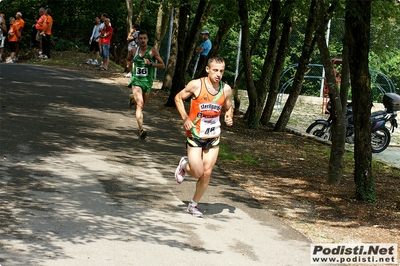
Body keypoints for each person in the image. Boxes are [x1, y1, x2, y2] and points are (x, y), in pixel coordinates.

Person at [174, 56, 233, 218]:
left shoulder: (226, 89)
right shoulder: (196, 85)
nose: (218, 74)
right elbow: (178, 98)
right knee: (197, 172)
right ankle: (184, 164)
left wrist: (229, 115)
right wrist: (185, 117)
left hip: (213, 136)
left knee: (207, 172)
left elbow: (229, 106)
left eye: (221, 71)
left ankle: (194, 204)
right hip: (195, 135)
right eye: (215, 70)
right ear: (208, 69)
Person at [126, 30, 165, 139]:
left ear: (147, 39)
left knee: (141, 104)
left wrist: (151, 63)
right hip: (136, 81)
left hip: (147, 82)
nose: (143, 40)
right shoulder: (134, 50)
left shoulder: (152, 51)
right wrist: (129, 68)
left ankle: (132, 100)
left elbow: (162, 65)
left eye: (145, 38)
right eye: (141, 38)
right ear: (138, 40)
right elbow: (128, 60)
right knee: (140, 105)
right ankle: (141, 130)